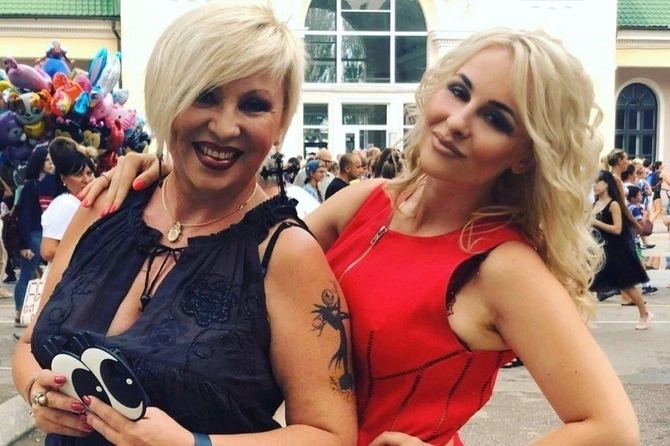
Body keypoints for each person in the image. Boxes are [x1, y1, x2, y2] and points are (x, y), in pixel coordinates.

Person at [81, 27, 640, 445]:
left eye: (497, 119)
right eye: (458, 91)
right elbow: (235, 252)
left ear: (525, 156)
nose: (458, 121)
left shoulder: (502, 265)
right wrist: (169, 174)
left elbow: (612, 427)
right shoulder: (367, 202)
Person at [13, 4, 356, 446]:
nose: (226, 127)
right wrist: (36, 390)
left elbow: (331, 434)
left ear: (281, 123)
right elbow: (30, 345)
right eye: (205, 96)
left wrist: (195, 444)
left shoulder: (284, 253)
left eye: (253, 105)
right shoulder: (106, 205)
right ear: (168, 96)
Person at [591, 171, 652, 329]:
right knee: (587, 283)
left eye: (598, 182)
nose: (594, 185)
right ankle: (582, 317)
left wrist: (595, 223)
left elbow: (617, 229)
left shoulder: (614, 204)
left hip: (615, 250)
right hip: (598, 250)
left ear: (607, 184)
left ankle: (645, 313)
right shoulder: (595, 205)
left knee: (626, 284)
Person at [13, 144, 53, 326]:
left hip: (46, 233)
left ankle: (31, 310)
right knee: (27, 274)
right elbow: (25, 215)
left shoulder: (51, 184)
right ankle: (20, 309)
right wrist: (25, 243)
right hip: (34, 234)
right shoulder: (31, 186)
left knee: (39, 275)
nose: (51, 163)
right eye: (47, 160)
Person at [40, 137, 96, 262]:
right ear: (64, 178)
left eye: (89, 173)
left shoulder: (83, 203)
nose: (86, 180)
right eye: (78, 175)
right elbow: (48, 251)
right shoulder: (66, 204)